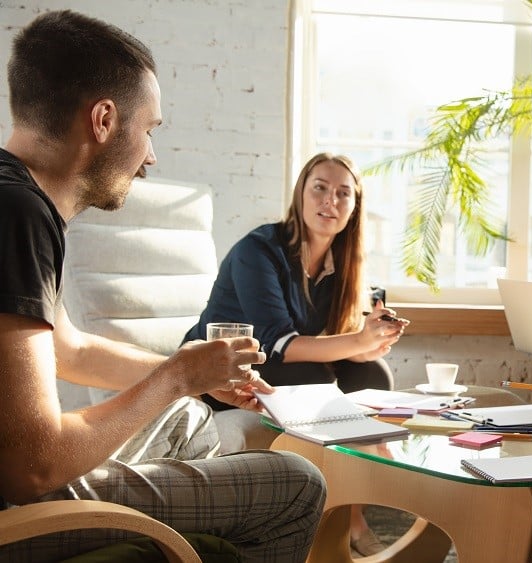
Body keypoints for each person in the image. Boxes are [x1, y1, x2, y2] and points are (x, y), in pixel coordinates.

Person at [0, 10, 325, 562]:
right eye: (149, 129)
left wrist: (195, 376)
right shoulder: (17, 213)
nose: (150, 156)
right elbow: (32, 468)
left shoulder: (15, 197)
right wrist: (176, 375)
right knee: (298, 484)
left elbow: (67, 348)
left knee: (187, 416)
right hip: (16, 510)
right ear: (103, 119)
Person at [182, 152, 406, 556]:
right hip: (225, 374)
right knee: (317, 380)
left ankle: (350, 508)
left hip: (278, 366)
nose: (330, 201)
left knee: (373, 374)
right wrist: (357, 341)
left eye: (343, 194)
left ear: (355, 208)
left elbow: (334, 338)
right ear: (301, 193)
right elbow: (278, 344)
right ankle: (343, 522)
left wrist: (370, 341)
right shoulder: (259, 251)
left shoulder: (343, 263)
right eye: (319, 188)